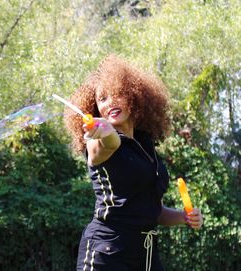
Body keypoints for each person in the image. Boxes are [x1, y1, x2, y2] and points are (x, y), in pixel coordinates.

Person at [64, 55, 203, 271]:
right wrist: (107, 132)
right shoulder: (97, 141)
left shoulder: (145, 146)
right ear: (95, 109)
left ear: (135, 96)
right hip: (107, 254)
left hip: (145, 255)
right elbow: (107, 144)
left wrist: (184, 217)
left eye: (118, 94)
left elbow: (150, 210)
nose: (110, 102)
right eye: (102, 99)